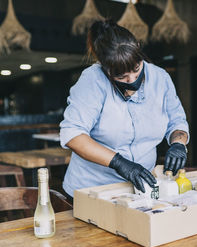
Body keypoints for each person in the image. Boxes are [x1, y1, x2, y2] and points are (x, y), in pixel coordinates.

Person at [60, 20, 189, 202]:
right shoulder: (92, 80)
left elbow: (176, 121)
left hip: (140, 189)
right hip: (92, 191)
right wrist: (120, 163)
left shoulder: (160, 78)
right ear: (105, 67)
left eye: (137, 70)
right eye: (122, 77)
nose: (132, 81)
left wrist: (178, 144)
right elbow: (73, 135)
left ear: (138, 48)